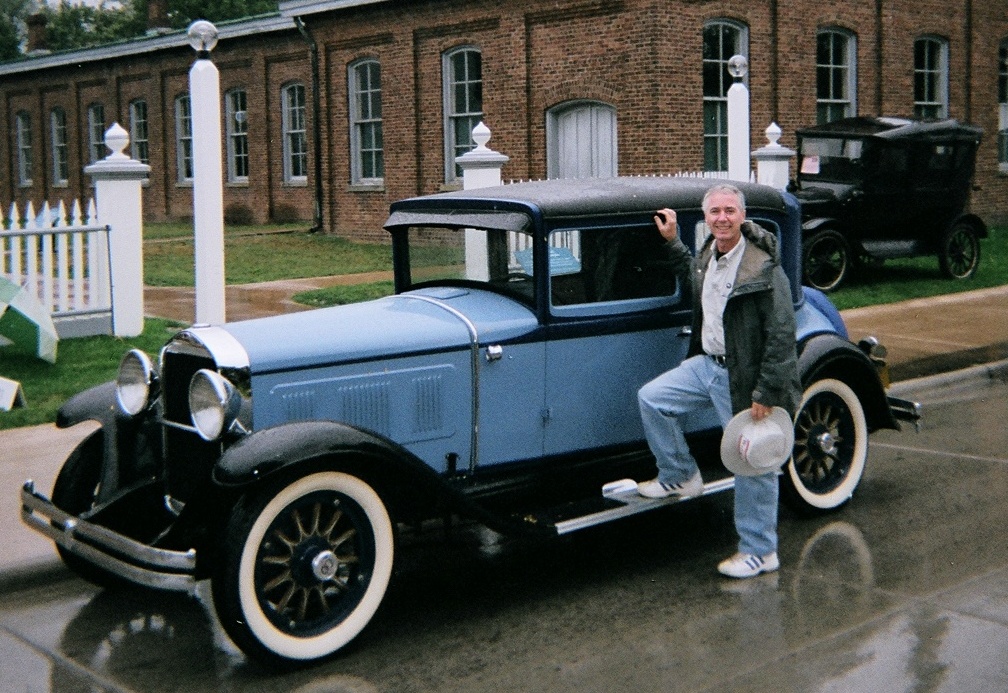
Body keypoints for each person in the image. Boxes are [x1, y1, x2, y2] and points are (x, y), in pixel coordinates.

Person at [637, 183, 801, 579]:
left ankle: (760, 551)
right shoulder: (711, 253)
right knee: (653, 398)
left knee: (752, 462)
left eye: (730, 210)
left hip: (744, 376)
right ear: (706, 218)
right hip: (708, 366)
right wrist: (674, 241)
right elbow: (695, 280)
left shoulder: (762, 266)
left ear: (742, 216)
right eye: (715, 212)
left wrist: (765, 392)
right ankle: (680, 475)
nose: (722, 218)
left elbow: (782, 333)